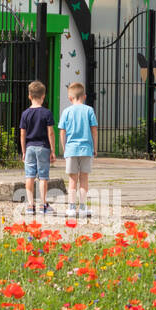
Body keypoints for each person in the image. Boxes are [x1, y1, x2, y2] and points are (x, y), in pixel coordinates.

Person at [58, 82, 98, 221]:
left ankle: (71, 208)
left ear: (70, 98)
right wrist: (95, 147)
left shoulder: (66, 112)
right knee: (84, 179)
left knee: (72, 180)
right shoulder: (89, 110)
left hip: (71, 149)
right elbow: (94, 130)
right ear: (84, 96)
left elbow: (62, 132)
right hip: (86, 148)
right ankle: (82, 207)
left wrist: (64, 148)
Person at [19, 80, 56, 218]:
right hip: (43, 147)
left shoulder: (25, 114)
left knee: (29, 176)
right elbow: (50, 132)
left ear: (29, 96)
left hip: (29, 147)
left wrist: (23, 151)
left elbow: (22, 133)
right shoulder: (47, 113)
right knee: (43, 177)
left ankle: (30, 205)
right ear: (43, 96)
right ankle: (43, 204)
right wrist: (52, 150)